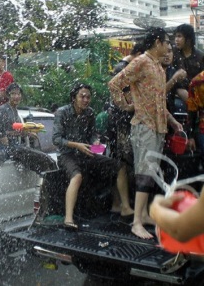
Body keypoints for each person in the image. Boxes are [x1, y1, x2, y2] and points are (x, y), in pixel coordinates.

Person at [109, 27, 183, 239]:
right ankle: (136, 223)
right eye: (167, 42)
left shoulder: (158, 66)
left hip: (158, 126)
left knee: (150, 173)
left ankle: (142, 215)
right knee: (143, 173)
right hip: (144, 126)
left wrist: (173, 121)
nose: (169, 46)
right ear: (157, 42)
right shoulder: (141, 61)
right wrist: (126, 106)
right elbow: (115, 84)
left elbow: (158, 101)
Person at [52, 83, 133, 230]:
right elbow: (56, 139)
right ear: (73, 98)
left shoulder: (89, 113)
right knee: (77, 176)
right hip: (67, 154)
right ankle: (68, 218)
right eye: (82, 96)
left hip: (85, 152)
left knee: (119, 166)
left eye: (88, 97)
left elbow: (92, 134)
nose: (85, 99)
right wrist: (77, 145)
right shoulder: (62, 112)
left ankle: (124, 207)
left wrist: (95, 141)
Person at [172, 23, 204, 103]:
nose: (176, 39)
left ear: (188, 39)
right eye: (176, 36)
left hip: (196, 93)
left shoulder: (199, 56)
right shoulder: (172, 53)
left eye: (179, 36)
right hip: (176, 94)